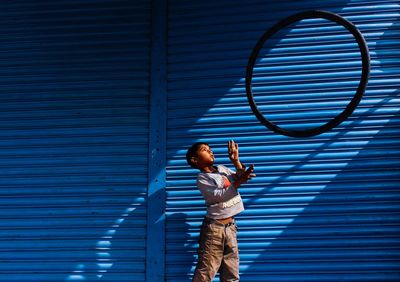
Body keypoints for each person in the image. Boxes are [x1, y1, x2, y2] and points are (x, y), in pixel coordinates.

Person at [186, 140, 255, 282]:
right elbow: (220, 195)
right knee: (205, 273)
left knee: (231, 273)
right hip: (214, 230)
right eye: (205, 149)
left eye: (210, 149)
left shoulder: (222, 169)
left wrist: (236, 161)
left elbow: (239, 176)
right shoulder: (202, 179)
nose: (210, 151)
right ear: (195, 160)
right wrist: (239, 181)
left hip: (230, 228)